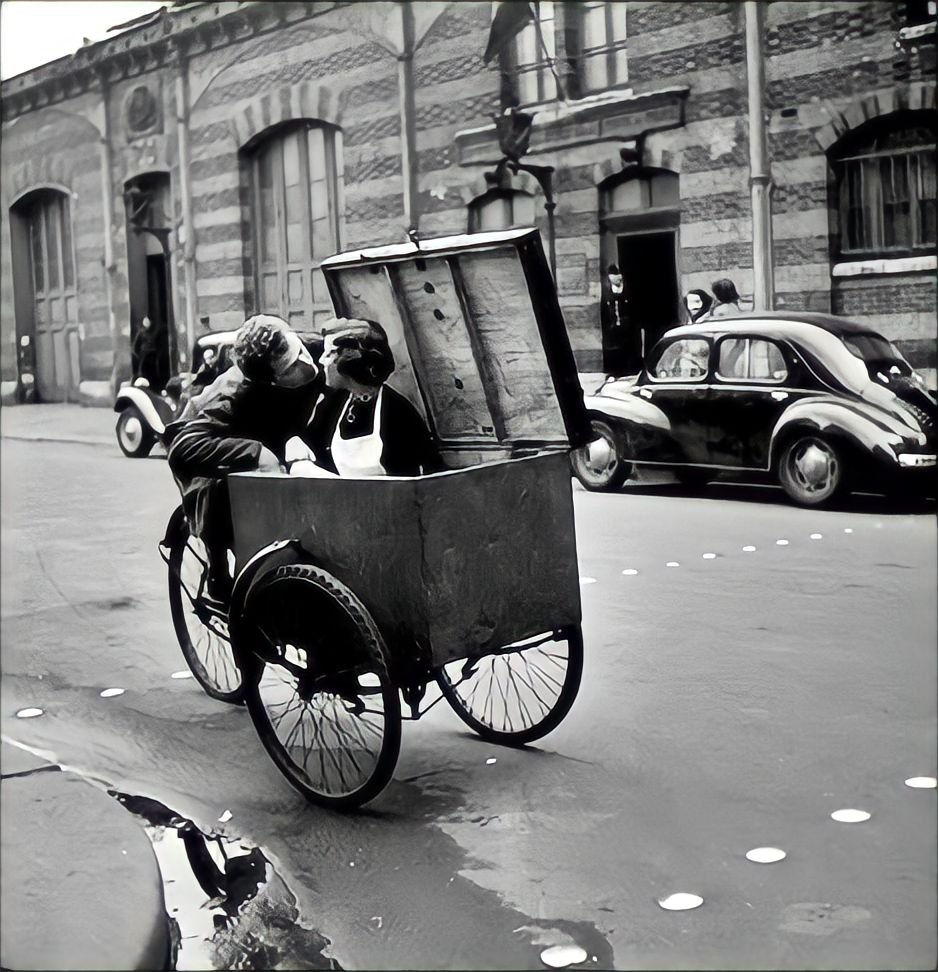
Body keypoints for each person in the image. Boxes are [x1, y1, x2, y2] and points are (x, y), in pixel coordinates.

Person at [165, 314, 325, 601]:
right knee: (220, 496)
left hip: (282, 427)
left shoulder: (316, 347)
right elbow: (184, 448)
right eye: (289, 368)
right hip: (228, 435)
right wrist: (255, 453)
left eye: (297, 349)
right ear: (270, 380)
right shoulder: (233, 392)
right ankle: (219, 571)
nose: (304, 364)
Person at [285, 318, 443, 478]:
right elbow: (311, 442)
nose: (321, 361)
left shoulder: (398, 412)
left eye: (330, 354)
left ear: (350, 363)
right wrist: (295, 442)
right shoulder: (335, 402)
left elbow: (430, 474)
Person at [600, 264, 642, 378]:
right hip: (613, 329)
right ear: (609, 277)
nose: (618, 277)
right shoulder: (605, 293)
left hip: (628, 329)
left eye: (619, 274)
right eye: (614, 275)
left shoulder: (629, 291)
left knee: (630, 350)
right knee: (615, 352)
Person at [132, 316, 160, 387]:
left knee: (153, 372)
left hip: (152, 356)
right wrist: (140, 355)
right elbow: (136, 346)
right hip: (144, 356)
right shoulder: (141, 333)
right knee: (143, 372)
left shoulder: (154, 332)